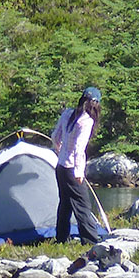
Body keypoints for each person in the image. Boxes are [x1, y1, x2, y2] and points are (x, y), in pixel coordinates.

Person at [50, 86, 102, 245]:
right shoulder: (86, 121)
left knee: (65, 204)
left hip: (60, 167)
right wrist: (79, 172)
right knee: (83, 205)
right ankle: (91, 241)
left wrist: (60, 151)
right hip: (72, 169)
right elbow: (79, 149)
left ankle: (61, 239)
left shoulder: (67, 114)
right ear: (95, 104)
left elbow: (55, 136)